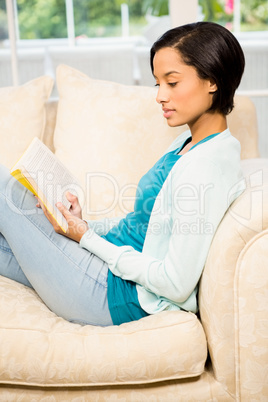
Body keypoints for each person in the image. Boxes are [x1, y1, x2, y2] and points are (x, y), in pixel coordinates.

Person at [0, 22, 246, 327]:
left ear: (212, 81)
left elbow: (176, 283)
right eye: (158, 84)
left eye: (172, 82)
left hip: (114, 294)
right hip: (103, 265)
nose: (160, 96)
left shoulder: (208, 166)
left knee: (3, 190)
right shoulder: (189, 143)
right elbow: (142, 225)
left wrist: (87, 238)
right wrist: (86, 227)